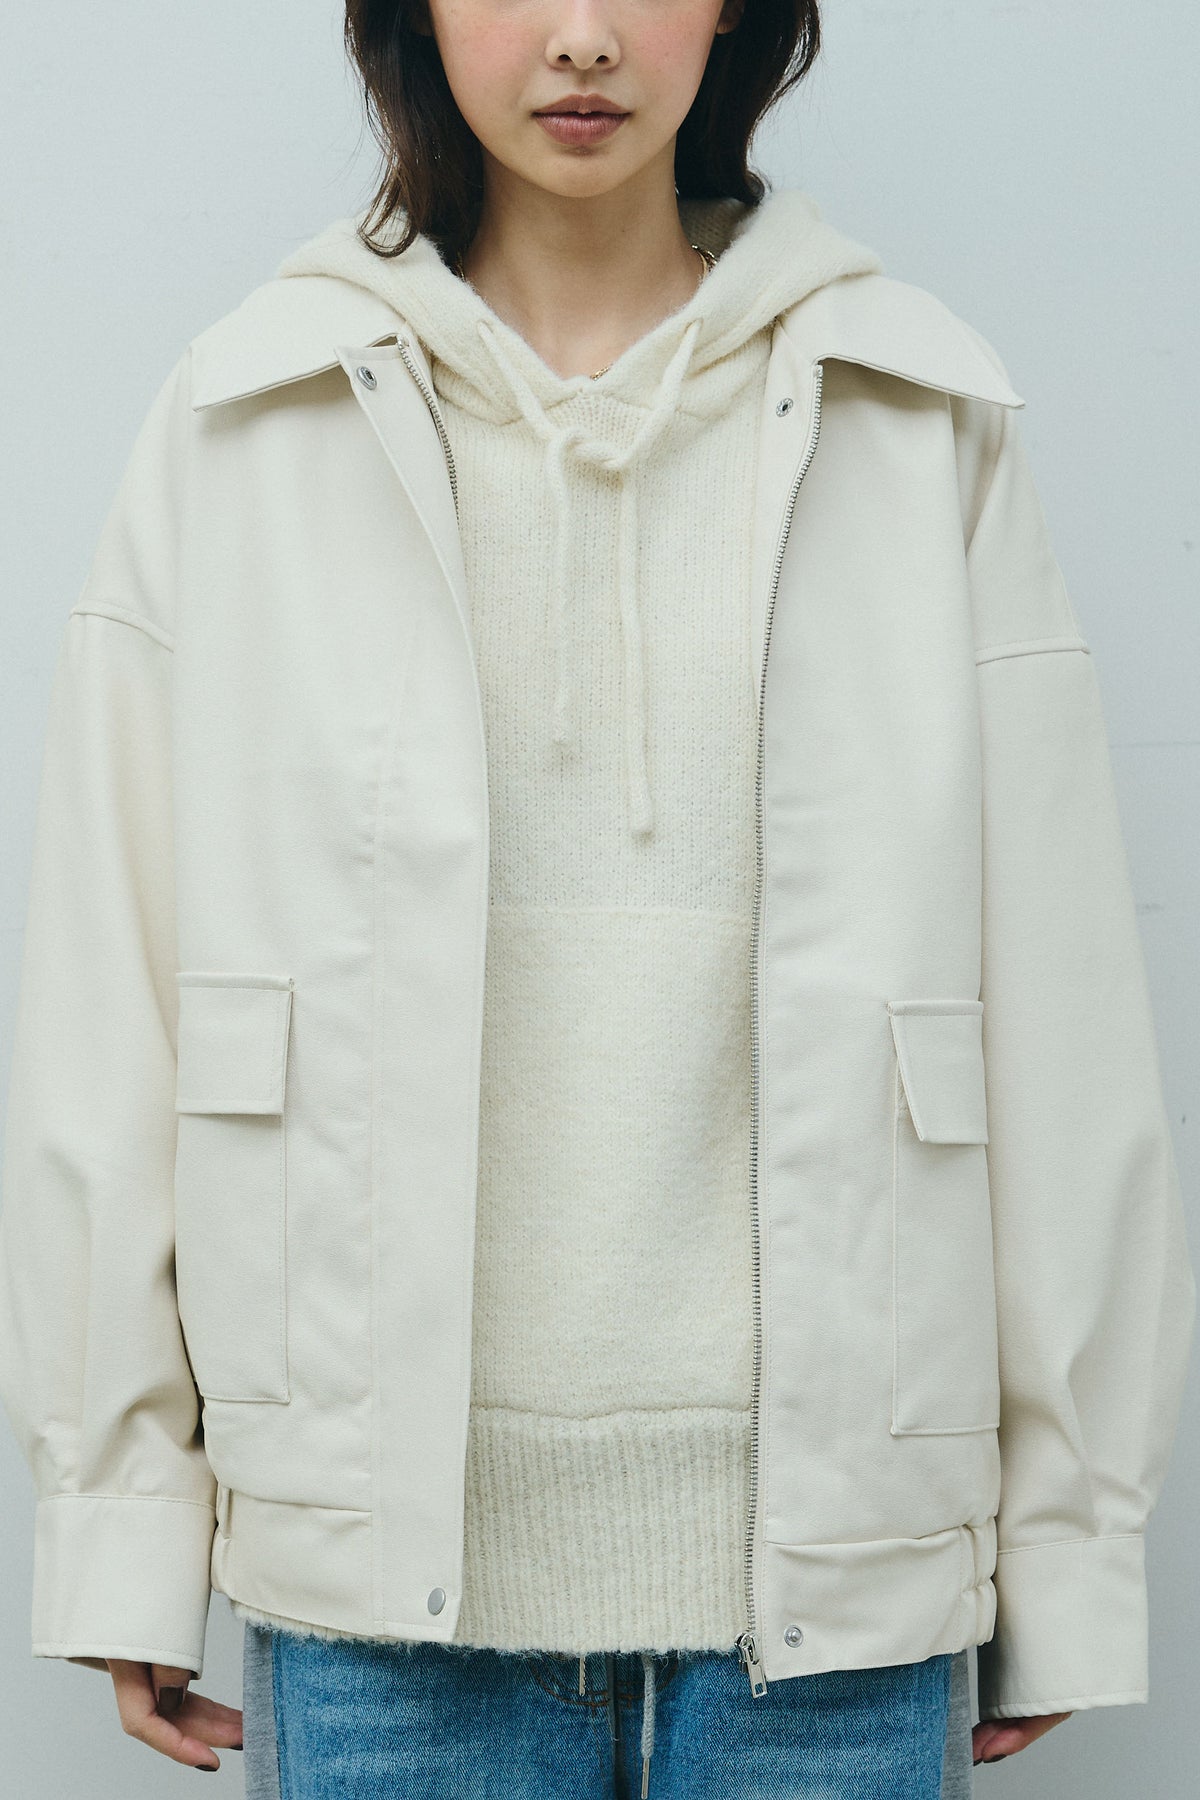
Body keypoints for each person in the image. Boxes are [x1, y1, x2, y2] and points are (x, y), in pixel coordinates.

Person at [0, 1, 1194, 1795]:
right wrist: (118, 1517)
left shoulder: (912, 412)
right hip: (378, 1589)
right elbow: (115, 1001)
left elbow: (1061, 1008)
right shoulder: (249, 413)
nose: (580, 37)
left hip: (838, 1583)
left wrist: (1075, 1539)